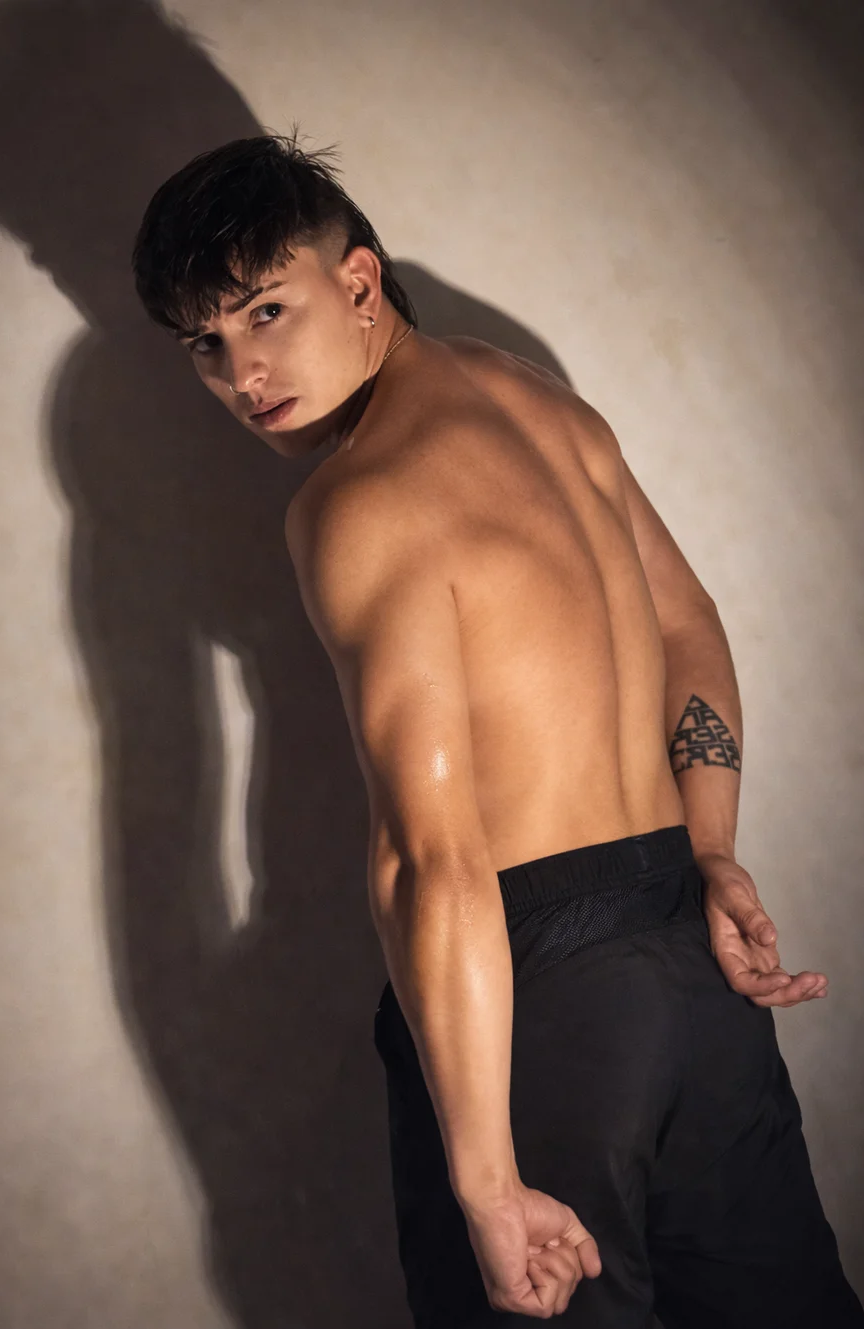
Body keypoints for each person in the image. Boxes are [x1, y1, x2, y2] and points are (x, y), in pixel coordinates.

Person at [132, 133, 864, 1328]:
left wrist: (484, 1182)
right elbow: (689, 625)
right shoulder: (540, 401)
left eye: (265, 310)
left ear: (357, 281)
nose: (243, 371)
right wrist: (710, 852)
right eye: (204, 344)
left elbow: (430, 856)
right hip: (692, 965)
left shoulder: (358, 501)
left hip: (537, 997)